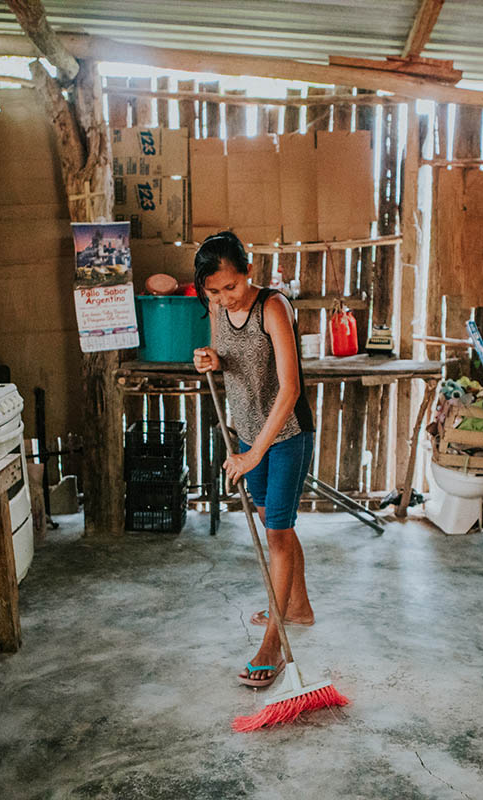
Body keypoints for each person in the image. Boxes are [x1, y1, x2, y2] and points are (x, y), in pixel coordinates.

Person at [192, 231, 316, 688]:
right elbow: (231, 358)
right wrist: (212, 360)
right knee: (272, 524)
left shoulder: (274, 307)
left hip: (285, 436)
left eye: (231, 286)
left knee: (277, 533)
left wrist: (253, 454)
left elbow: (290, 388)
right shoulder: (218, 310)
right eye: (214, 291)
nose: (225, 297)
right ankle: (297, 607)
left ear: (249, 272)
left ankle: (272, 643)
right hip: (248, 434)